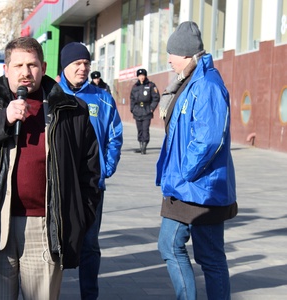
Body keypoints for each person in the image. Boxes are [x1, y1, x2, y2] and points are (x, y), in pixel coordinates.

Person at [0, 37, 101, 299]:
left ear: (44, 66)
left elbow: (91, 171)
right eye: (18, 65)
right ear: (6, 69)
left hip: (46, 227)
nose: (25, 72)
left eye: (32, 65)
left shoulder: (72, 110)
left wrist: (79, 218)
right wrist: (2, 119)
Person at [156, 21, 238, 300]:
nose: (168, 60)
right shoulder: (189, 81)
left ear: (188, 55)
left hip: (200, 187)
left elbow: (209, 139)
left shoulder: (207, 84)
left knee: (209, 256)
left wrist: (184, 171)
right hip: (186, 186)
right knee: (170, 245)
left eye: (172, 54)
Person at [58, 42, 123, 300]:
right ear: (65, 67)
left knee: (89, 244)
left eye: (86, 64)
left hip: (92, 186)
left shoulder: (102, 98)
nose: (83, 68)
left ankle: (89, 295)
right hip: (60, 184)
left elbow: (115, 137)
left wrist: (104, 170)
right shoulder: (52, 96)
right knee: (57, 242)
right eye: (77, 64)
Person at [130, 68, 160, 154]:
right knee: (139, 129)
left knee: (145, 129)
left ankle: (144, 146)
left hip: (147, 110)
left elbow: (156, 97)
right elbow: (132, 98)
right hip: (137, 110)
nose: (141, 77)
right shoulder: (135, 86)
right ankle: (140, 144)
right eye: (140, 76)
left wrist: (152, 108)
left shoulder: (151, 85)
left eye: (143, 75)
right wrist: (132, 109)